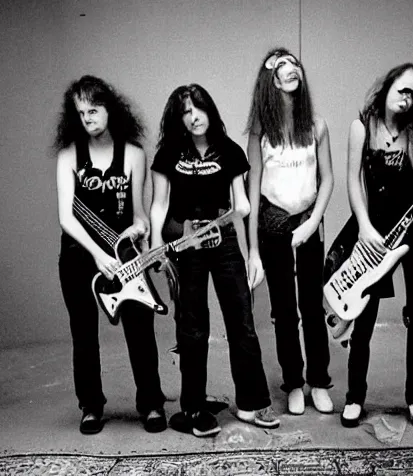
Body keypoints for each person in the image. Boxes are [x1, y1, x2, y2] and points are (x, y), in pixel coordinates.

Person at [331, 63, 413, 429]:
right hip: (375, 234)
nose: (406, 99)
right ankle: (355, 397)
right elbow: (353, 181)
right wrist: (363, 227)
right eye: (402, 90)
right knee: (364, 315)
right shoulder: (362, 126)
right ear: (388, 85)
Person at [150, 84, 280, 438]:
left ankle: (252, 402)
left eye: (199, 108)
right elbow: (160, 205)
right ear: (178, 119)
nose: (194, 117)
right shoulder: (168, 154)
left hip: (223, 239)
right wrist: (157, 244)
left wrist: (243, 214)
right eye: (186, 112)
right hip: (185, 240)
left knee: (241, 319)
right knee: (192, 326)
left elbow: (241, 203)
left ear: (211, 110)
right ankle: (194, 407)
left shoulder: (231, 151)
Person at [54, 75, 167, 434]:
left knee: (140, 328)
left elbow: (138, 212)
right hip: (79, 255)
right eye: (81, 112)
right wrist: (96, 255)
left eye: (94, 109)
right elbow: (66, 217)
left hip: (124, 254)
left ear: (110, 108)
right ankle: (91, 406)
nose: (88, 118)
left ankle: (150, 403)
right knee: (83, 332)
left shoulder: (133, 154)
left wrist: (140, 227)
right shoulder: (69, 154)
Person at [245, 48, 334, 415]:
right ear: (271, 80)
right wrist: (252, 250)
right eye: (282, 66)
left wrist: (312, 223)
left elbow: (327, 179)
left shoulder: (316, 125)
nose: (291, 69)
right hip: (273, 226)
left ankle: (318, 381)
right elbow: (251, 193)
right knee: (284, 311)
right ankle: (294, 382)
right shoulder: (260, 132)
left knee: (312, 306)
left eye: (296, 64)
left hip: (309, 224)